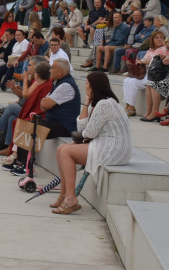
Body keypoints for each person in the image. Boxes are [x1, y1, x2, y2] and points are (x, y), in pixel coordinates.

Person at [51, 71, 131, 215]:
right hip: (109, 145)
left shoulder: (105, 104)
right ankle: (64, 194)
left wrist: (84, 134)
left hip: (114, 149)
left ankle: (70, 199)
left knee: (66, 151)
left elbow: (89, 133)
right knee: (61, 148)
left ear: (94, 86)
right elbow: (82, 128)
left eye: (87, 84)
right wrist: (87, 103)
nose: (86, 87)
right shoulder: (101, 103)